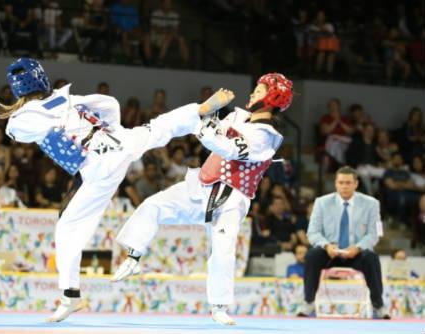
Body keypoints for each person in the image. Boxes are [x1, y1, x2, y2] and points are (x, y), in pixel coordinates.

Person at [0, 57, 234, 322]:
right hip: (119, 143)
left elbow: (15, 130)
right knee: (156, 129)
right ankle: (196, 114)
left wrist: (43, 126)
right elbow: (108, 103)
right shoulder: (69, 98)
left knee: (68, 227)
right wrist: (112, 127)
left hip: (98, 166)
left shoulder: (26, 115)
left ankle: (70, 296)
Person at [113, 73, 293, 325]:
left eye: (260, 90)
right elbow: (209, 130)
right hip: (201, 186)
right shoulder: (237, 116)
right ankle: (134, 256)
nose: (253, 92)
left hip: (232, 197)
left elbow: (228, 148)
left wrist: (208, 128)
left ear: (272, 98)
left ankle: (219, 306)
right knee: (152, 205)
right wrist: (210, 108)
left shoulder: (267, 136)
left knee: (223, 249)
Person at [297, 166, 390, 319]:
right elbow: (312, 233)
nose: (344, 186)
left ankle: (378, 305)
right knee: (312, 255)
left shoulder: (371, 204)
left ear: (356, 184)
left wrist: (358, 247)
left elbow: (374, 235)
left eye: (348, 183)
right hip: (330, 252)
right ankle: (308, 302)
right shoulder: (322, 202)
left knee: (371, 257)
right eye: (341, 183)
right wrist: (327, 245)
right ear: (335, 184)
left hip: (357, 252)